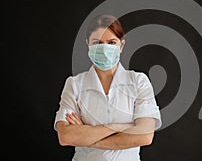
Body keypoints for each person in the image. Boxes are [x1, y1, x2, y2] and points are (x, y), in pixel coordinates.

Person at [54, 14, 162, 161]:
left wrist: (86, 136)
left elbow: (145, 136)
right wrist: (121, 127)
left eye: (111, 42)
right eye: (97, 42)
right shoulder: (74, 84)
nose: (104, 49)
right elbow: (66, 136)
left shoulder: (139, 82)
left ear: (121, 45)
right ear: (88, 44)